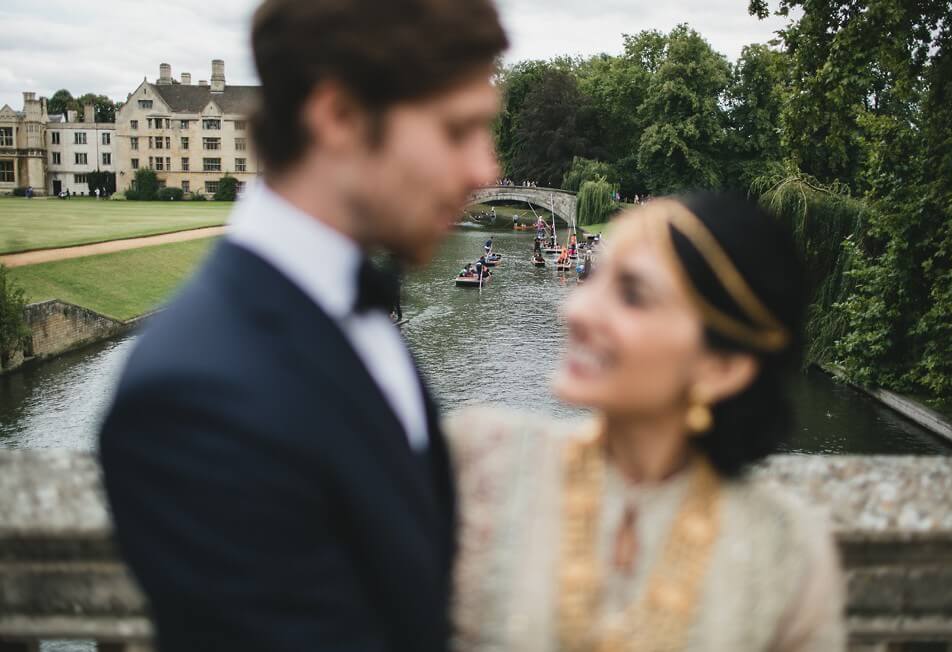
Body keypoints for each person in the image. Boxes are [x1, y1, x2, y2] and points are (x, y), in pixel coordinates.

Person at [98, 1, 507, 650]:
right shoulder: (193, 399)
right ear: (339, 116)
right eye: (457, 131)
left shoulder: (343, 305)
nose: (486, 170)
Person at [445, 194, 845, 651]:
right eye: (595, 278)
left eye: (633, 294)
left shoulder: (789, 555)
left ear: (721, 366)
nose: (574, 311)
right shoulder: (477, 461)